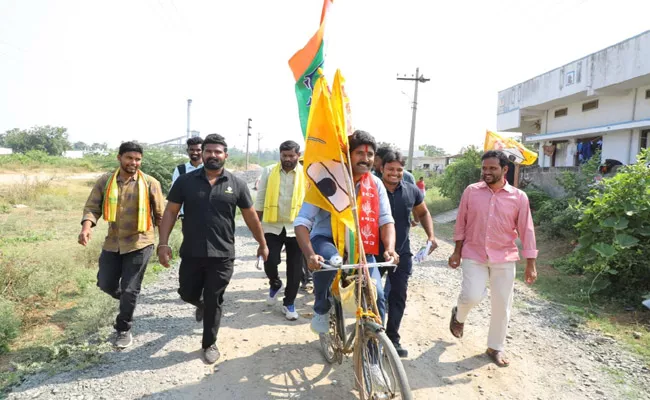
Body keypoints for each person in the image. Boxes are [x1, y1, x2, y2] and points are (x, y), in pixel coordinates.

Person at [156, 133, 269, 364]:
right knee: (186, 293)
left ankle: (209, 343)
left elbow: (250, 217)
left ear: (225, 155)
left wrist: (262, 243)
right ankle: (201, 304)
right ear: (203, 153)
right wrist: (163, 243)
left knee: (214, 297)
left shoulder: (236, 184)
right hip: (192, 251)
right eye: (208, 151)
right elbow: (170, 212)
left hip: (222, 253)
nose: (212, 155)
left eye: (218, 152)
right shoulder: (185, 181)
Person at [294, 130, 399, 334]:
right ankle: (321, 308)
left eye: (369, 155)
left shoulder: (375, 183)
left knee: (377, 294)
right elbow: (302, 222)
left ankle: (374, 353)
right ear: (347, 155)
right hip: (326, 239)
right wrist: (309, 255)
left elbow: (386, 220)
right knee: (332, 260)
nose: (365, 158)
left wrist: (390, 249)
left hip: (362, 246)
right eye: (359, 153)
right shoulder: (327, 178)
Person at [448, 150, 538, 368]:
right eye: (484, 168)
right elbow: (462, 222)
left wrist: (530, 263)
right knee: (471, 295)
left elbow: (526, 230)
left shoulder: (518, 197)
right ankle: (458, 315)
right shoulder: (471, 192)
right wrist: (457, 251)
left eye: (492, 168)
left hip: (504, 256)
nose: (486, 172)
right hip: (474, 253)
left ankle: (494, 347)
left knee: (502, 305)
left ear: (504, 170)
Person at [78, 141, 165, 348]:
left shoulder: (150, 183)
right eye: (129, 158)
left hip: (140, 242)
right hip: (113, 242)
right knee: (105, 283)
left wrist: (164, 244)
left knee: (129, 289)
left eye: (137, 159)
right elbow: (92, 207)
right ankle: (128, 300)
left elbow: (161, 216)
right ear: (119, 158)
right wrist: (86, 227)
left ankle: (123, 328)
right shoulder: (106, 181)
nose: (134, 162)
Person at [377, 150, 438, 358]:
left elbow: (423, 213)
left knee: (398, 296)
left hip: (401, 253)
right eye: (390, 169)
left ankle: (393, 338)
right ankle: (372, 335)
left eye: (399, 170)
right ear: (381, 168)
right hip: (372, 254)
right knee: (373, 295)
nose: (395, 173)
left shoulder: (412, 191)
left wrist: (431, 236)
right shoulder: (370, 190)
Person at [254, 140, 305, 321]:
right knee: (270, 260)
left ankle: (289, 303)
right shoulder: (269, 171)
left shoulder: (306, 173)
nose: (288, 159)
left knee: (295, 268)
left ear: (298, 155)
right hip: (272, 225)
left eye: (292, 156)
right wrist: (256, 225)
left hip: (297, 226)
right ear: (280, 155)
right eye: (284, 156)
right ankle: (275, 282)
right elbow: (260, 199)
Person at [171, 136, 204, 220]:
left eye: (198, 150)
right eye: (192, 149)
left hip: (207, 215)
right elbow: (175, 193)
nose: (195, 152)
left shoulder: (209, 169)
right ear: (187, 151)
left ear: (203, 151)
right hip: (187, 216)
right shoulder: (180, 170)